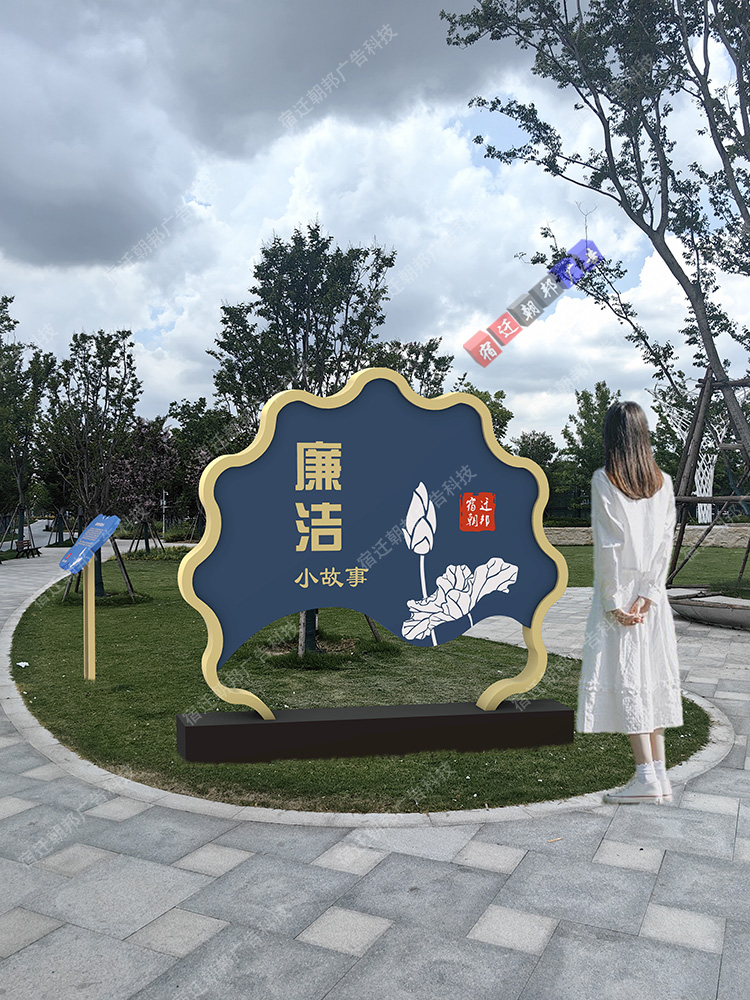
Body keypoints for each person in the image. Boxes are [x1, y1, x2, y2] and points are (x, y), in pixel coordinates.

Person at [576, 400, 683, 805]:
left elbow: (610, 546)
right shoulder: (664, 482)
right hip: (651, 601)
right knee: (652, 677)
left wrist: (613, 602)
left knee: (630, 680)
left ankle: (645, 777)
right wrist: (650, 594)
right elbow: (665, 543)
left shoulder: (605, 480)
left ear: (611, 436)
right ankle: (659, 775)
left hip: (622, 596)